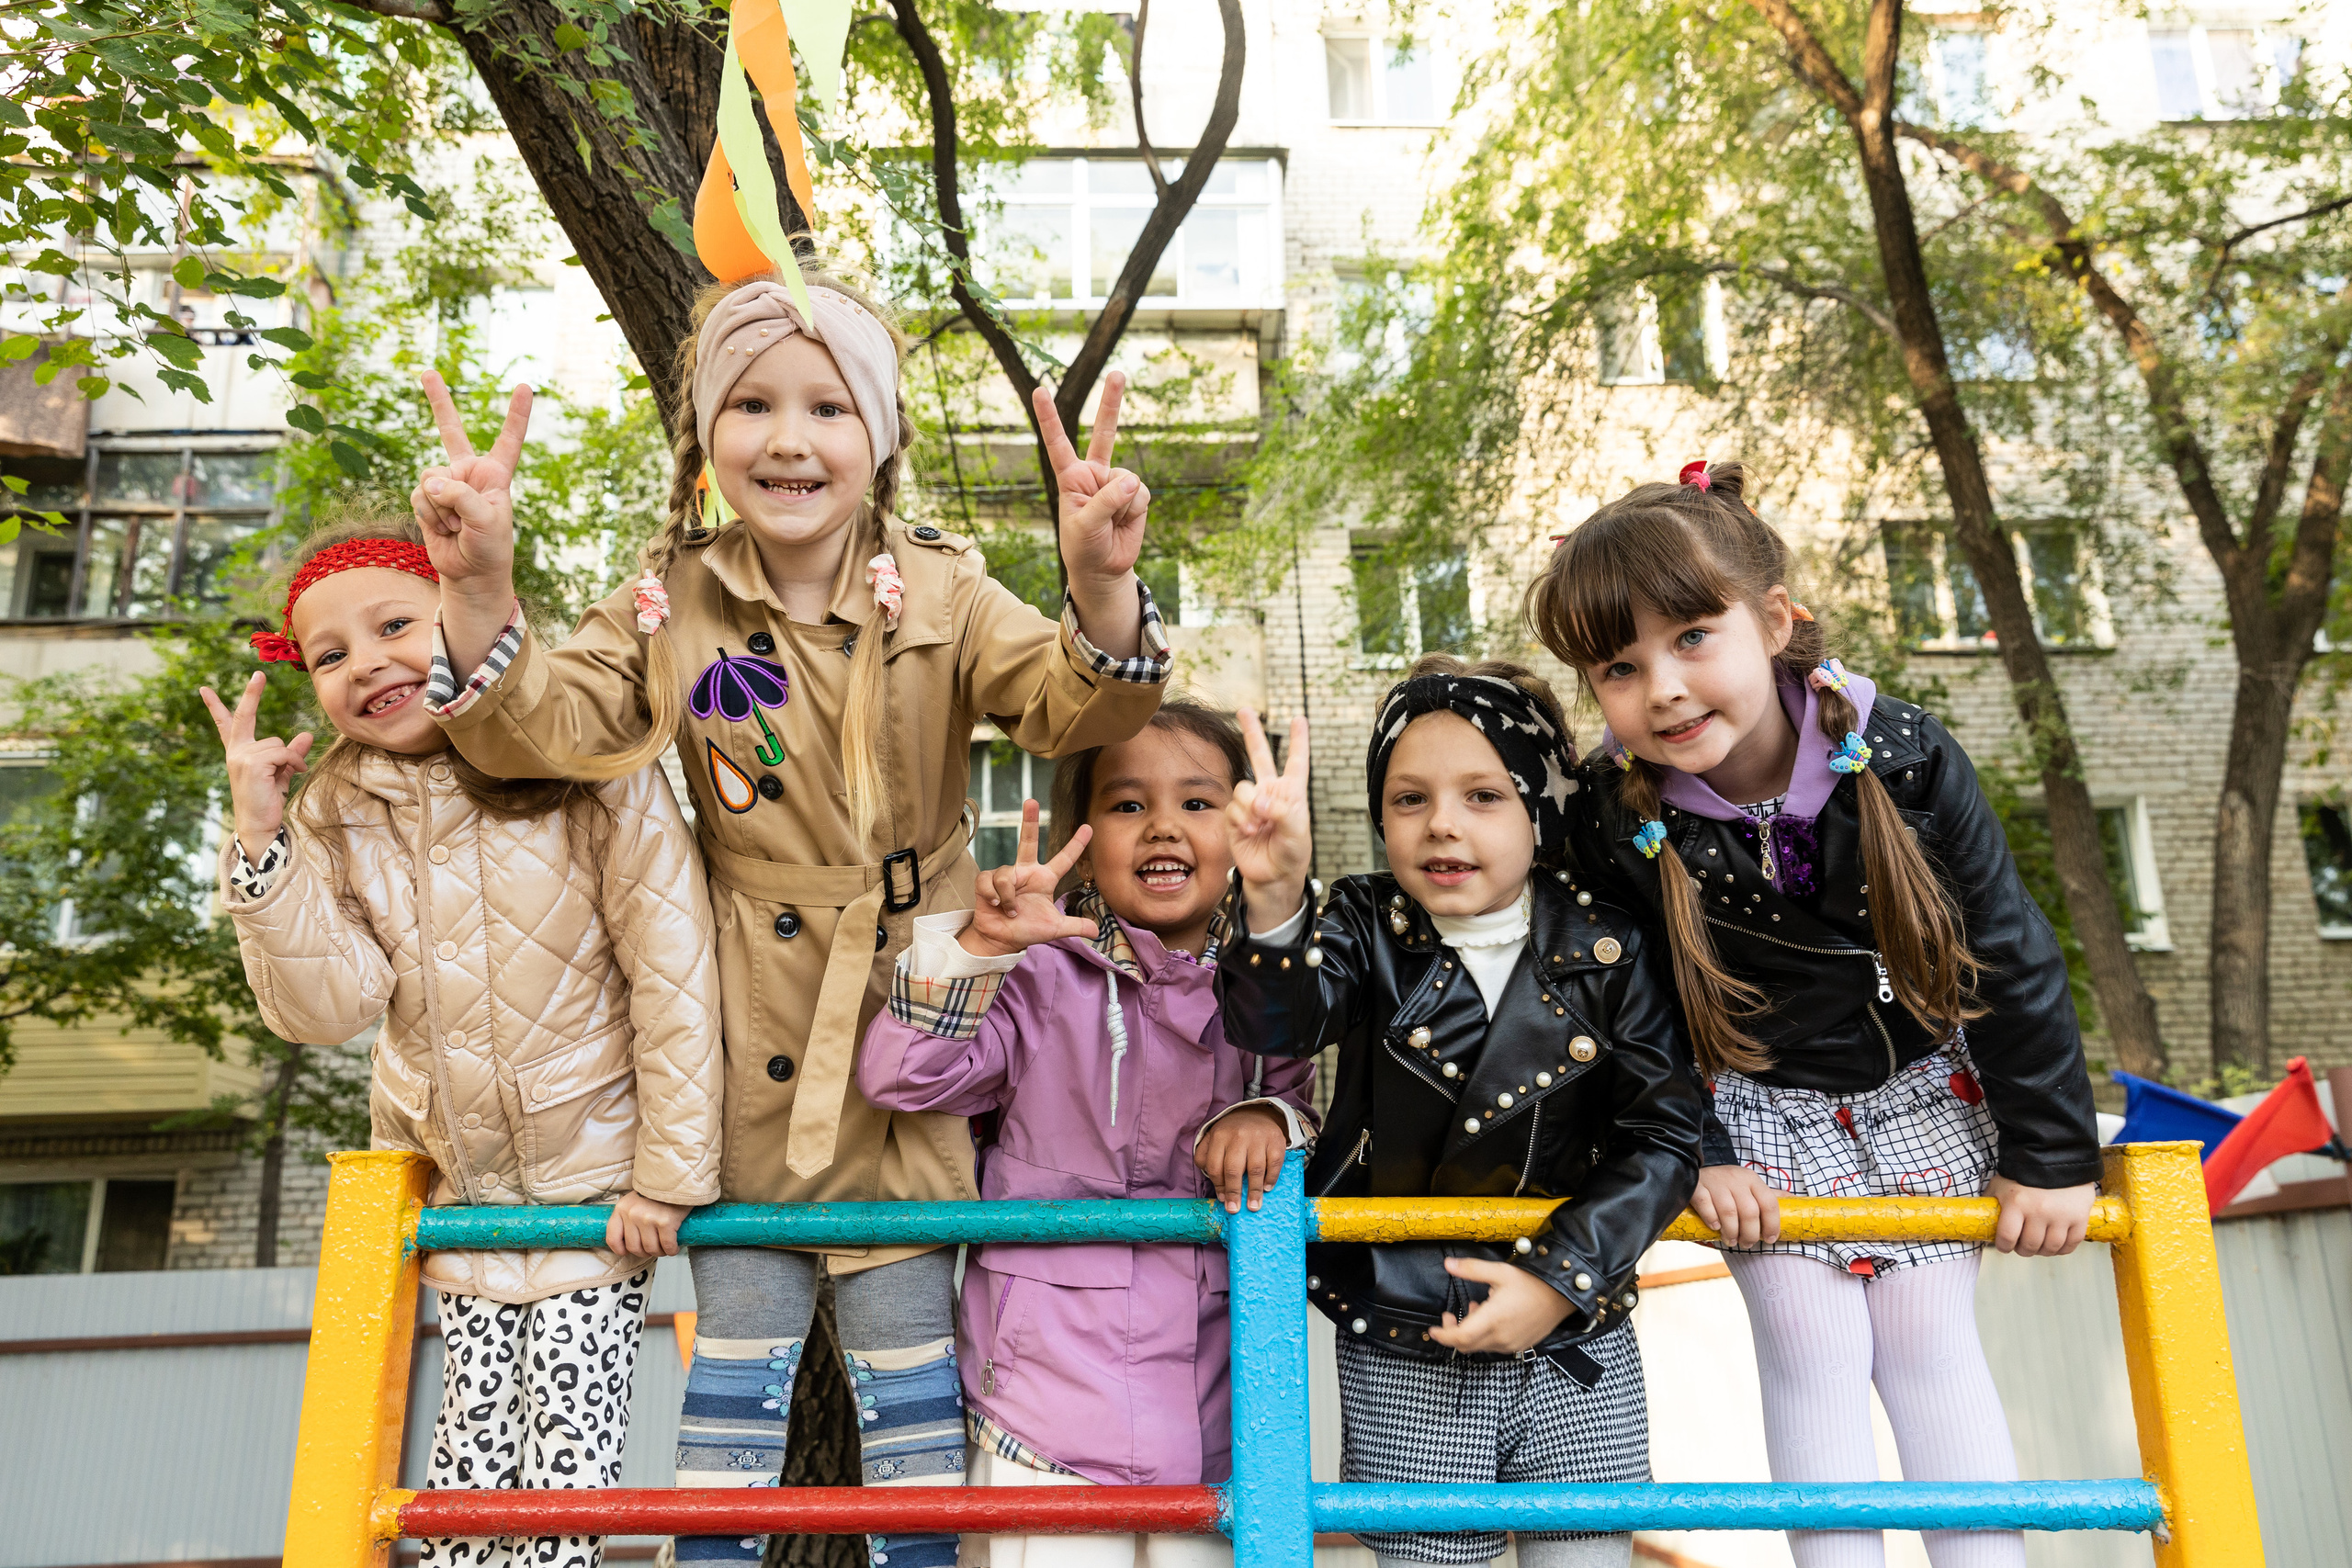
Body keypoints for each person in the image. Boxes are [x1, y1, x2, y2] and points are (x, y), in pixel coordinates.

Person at [406, 264, 1171, 1568]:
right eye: (751, 404)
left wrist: (1099, 586)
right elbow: (542, 727)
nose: (789, 436)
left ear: (877, 440)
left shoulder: (942, 588)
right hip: (742, 1037)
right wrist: (480, 585)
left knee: (915, 1416)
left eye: (828, 405)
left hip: (908, 1030)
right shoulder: (669, 597)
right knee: (729, 1410)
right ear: (707, 438)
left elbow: (1070, 705)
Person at [1529, 461, 2103, 1568]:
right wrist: (1696, 1152)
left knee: (1930, 1351)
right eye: (1618, 665)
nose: (1662, 688)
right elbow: (1620, 1006)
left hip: (1918, 1092)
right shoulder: (1612, 818)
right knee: (1806, 1349)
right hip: (1750, 1113)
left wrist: (2049, 1152)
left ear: (1776, 622)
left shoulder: (1904, 755)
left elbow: (2010, 954)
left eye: (1693, 637)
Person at [204, 514, 723, 1568]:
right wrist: (260, 841)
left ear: (463, 612)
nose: (368, 665)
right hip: (465, 1204)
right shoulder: (335, 806)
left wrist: (669, 1176)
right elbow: (331, 1008)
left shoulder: (584, 759)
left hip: (596, 1193)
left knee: (564, 1497)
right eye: (330, 654)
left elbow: (674, 970)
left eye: (394, 624)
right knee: (464, 1503)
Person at [1216, 661, 1705, 1568]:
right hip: (1404, 1329)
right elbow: (1279, 1018)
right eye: (1409, 799)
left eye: (1483, 794)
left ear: (1541, 808)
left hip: (1575, 1332)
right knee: (1431, 1556)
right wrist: (1277, 898)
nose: (1442, 822)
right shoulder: (1365, 921)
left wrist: (1559, 1281)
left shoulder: (1608, 942)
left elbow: (1664, 1135)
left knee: (1590, 1552)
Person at [858, 698, 1317, 1568]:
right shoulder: (1040, 977)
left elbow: (1311, 1112)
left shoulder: (1271, 987)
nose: (1162, 828)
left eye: (1197, 801)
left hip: (1212, 1418)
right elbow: (900, 1075)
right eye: (1127, 804)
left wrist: (1275, 1116)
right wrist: (981, 945)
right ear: (1082, 833)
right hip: (1041, 1409)